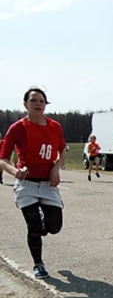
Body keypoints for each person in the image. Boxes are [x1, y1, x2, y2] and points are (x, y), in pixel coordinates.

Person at [0, 87, 68, 279]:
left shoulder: (55, 127)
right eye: (34, 100)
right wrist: (15, 172)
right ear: (25, 104)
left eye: (42, 101)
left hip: (48, 184)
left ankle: (42, 221)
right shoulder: (18, 128)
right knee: (33, 226)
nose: (38, 104)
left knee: (54, 227)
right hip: (27, 184)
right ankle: (38, 264)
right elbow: (2, 158)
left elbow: (63, 151)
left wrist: (56, 168)